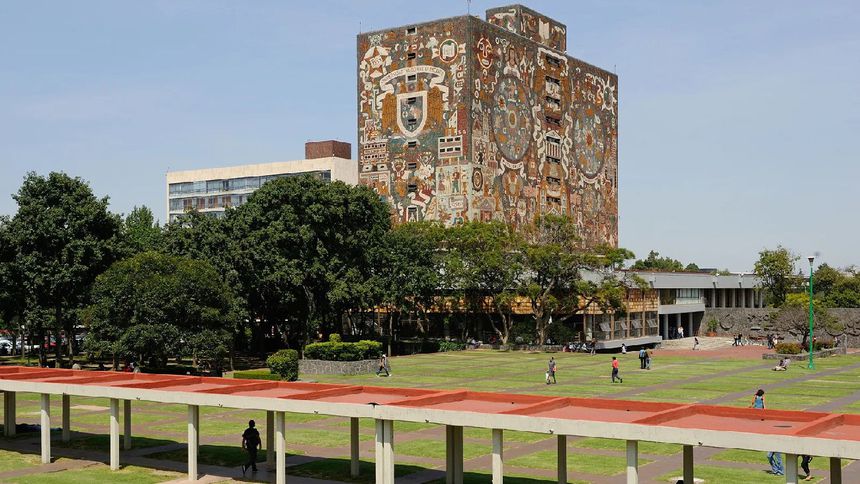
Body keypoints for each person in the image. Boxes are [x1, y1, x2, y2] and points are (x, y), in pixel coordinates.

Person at [750, 390, 784, 476]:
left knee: (778, 459)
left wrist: (765, 410)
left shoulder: (761, 397)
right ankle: (775, 470)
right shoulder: (756, 397)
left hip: (776, 445)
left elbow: (763, 404)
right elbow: (754, 403)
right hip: (771, 445)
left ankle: (780, 471)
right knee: (769, 456)